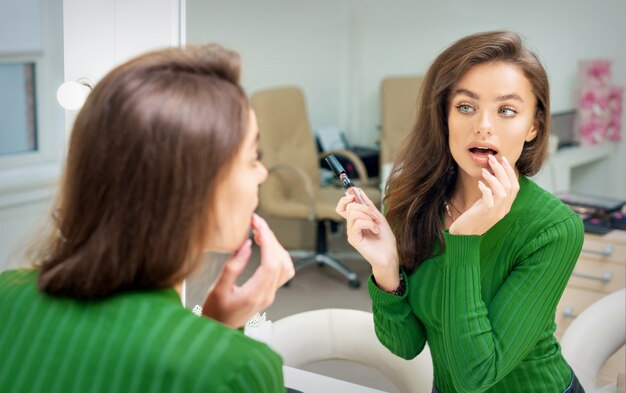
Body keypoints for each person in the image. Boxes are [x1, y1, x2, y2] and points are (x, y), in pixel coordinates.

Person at [0, 45, 295, 393]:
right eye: (252, 157)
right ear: (196, 191)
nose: (261, 173)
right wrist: (216, 342)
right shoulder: (239, 369)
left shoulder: (7, 294)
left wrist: (215, 331)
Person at [336, 31, 585, 393]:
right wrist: (386, 269)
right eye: (466, 106)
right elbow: (404, 346)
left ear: (533, 127)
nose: (483, 125)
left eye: (507, 110)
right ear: (444, 116)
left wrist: (464, 242)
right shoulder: (410, 200)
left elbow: (477, 375)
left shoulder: (554, 228)